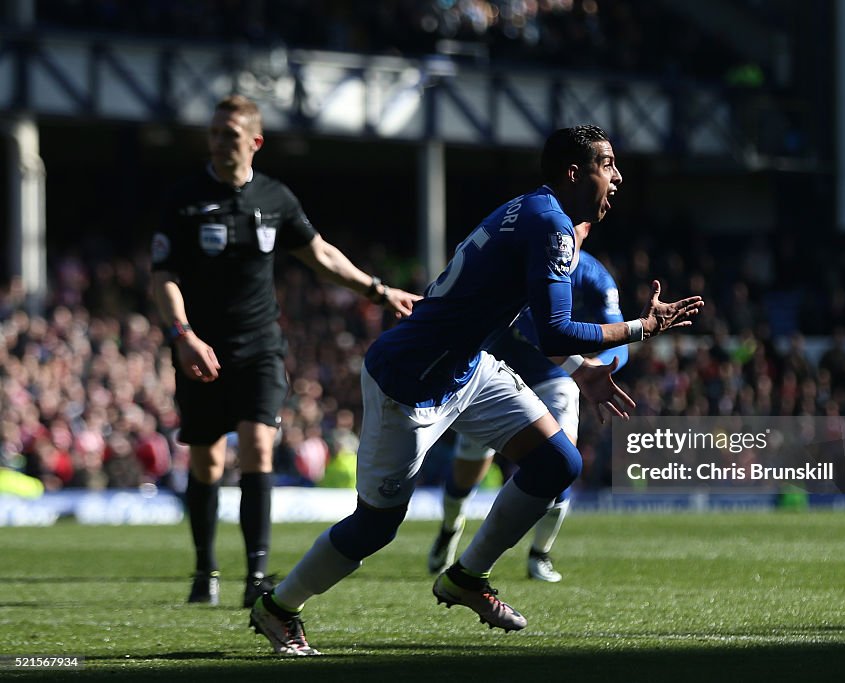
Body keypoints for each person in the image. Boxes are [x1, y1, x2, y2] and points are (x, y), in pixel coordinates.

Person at [248, 124, 703, 655]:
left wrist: (579, 369)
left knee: (557, 463)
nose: (618, 177)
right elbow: (554, 327)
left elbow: (526, 319)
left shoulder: (533, 212)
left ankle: (467, 577)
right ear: (574, 173)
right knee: (375, 528)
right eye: (608, 165)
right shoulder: (551, 225)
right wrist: (640, 328)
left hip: (466, 369)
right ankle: (277, 607)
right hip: (408, 384)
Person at [149, 94, 420, 609]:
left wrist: (378, 291)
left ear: (255, 142)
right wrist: (183, 336)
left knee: (257, 447)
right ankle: (205, 570)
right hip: (197, 347)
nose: (219, 143)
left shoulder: (274, 197)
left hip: (259, 347)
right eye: (214, 134)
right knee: (206, 462)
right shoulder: (183, 199)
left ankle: (255, 575)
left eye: (230, 134)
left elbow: (319, 254)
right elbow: (162, 277)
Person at [427, 245, 629, 582]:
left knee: (563, 462)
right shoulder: (523, 261)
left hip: (556, 379)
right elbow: (533, 329)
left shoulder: (594, 276)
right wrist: (582, 366)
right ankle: (450, 527)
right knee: (467, 473)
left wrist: (608, 366)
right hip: (493, 373)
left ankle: (540, 553)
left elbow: (616, 333)